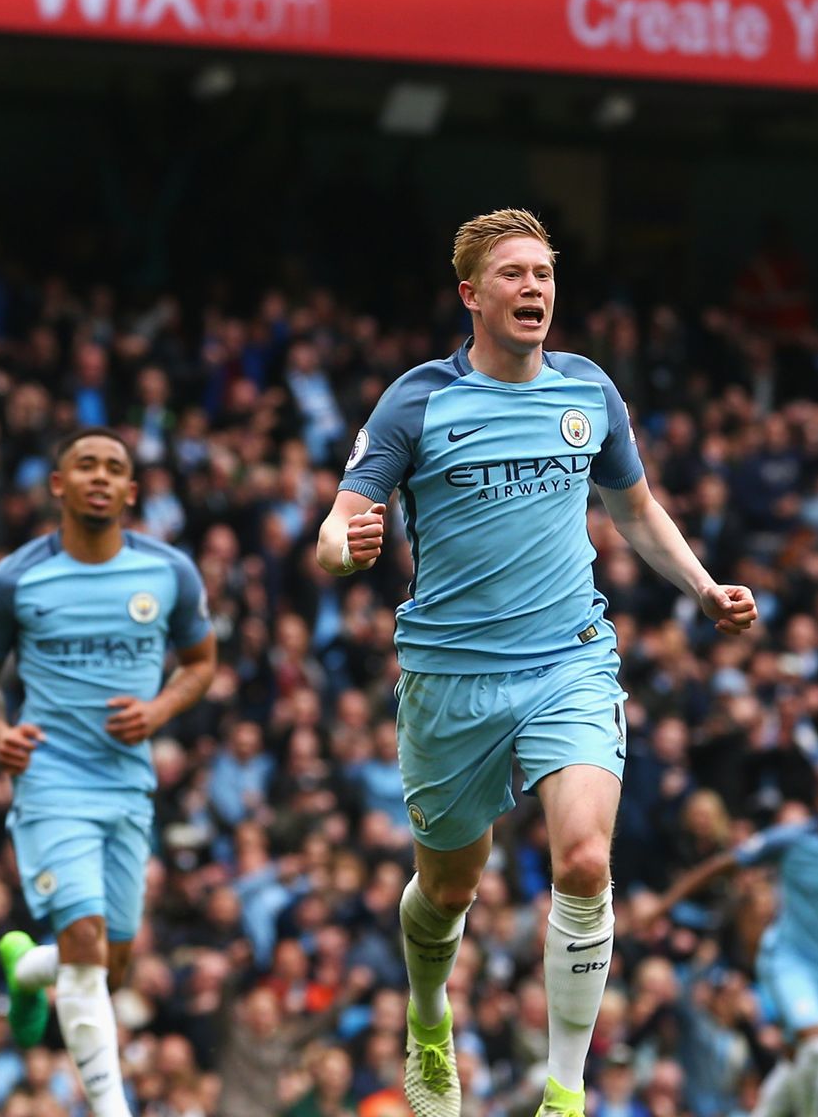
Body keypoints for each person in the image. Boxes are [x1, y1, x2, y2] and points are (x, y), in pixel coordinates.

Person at [317, 209, 758, 1117]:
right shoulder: (418, 399)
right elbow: (336, 522)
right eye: (513, 275)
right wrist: (344, 547)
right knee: (447, 888)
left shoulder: (588, 391)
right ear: (471, 295)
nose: (534, 289)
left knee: (587, 860)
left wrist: (703, 588)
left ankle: (565, 1090)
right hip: (450, 678)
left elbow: (635, 511)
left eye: (544, 275)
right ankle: (429, 1015)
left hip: (570, 660)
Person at [0, 427, 219, 1117]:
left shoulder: (168, 572)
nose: (100, 477)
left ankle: (26, 972)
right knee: (83, 942)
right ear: (58, 485)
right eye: (85, 466)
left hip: (127, 782)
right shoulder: (15, 578)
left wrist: (159, 710)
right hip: (51, 778)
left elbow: (201, 662)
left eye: (114, 468)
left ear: (132, 492)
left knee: (111, 963)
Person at [641, 755, 818, 1117]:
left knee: (800, 1061)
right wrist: (662, 906)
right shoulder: (792, 840)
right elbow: (722, 864)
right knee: (817, 1049)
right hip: (787, 958)